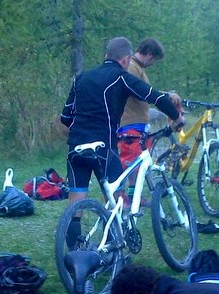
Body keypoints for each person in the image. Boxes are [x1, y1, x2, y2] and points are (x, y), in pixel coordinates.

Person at [60, 37, 182, 246]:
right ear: (125, 60)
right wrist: (176, 117)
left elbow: (65, 118)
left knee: (76, 206)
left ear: (106, 55)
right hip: (104, 148)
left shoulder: (80, 79)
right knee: (117, 200)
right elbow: (156, 97)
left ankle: (73, 257)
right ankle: (114, 249)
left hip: (77, 148)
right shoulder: (122, 77)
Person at [116, 38, 182, 205]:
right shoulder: (131, 67)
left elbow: (145, 90)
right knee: (129, 165)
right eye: (154, 60)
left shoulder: (137, 68)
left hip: (139, 124)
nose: (153, 64)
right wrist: (165, 98)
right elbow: (139, 91)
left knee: (136, 168)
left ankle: (132, 197)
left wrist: (166, 95)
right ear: (150, 55)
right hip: (129, 124)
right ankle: (120, 199)